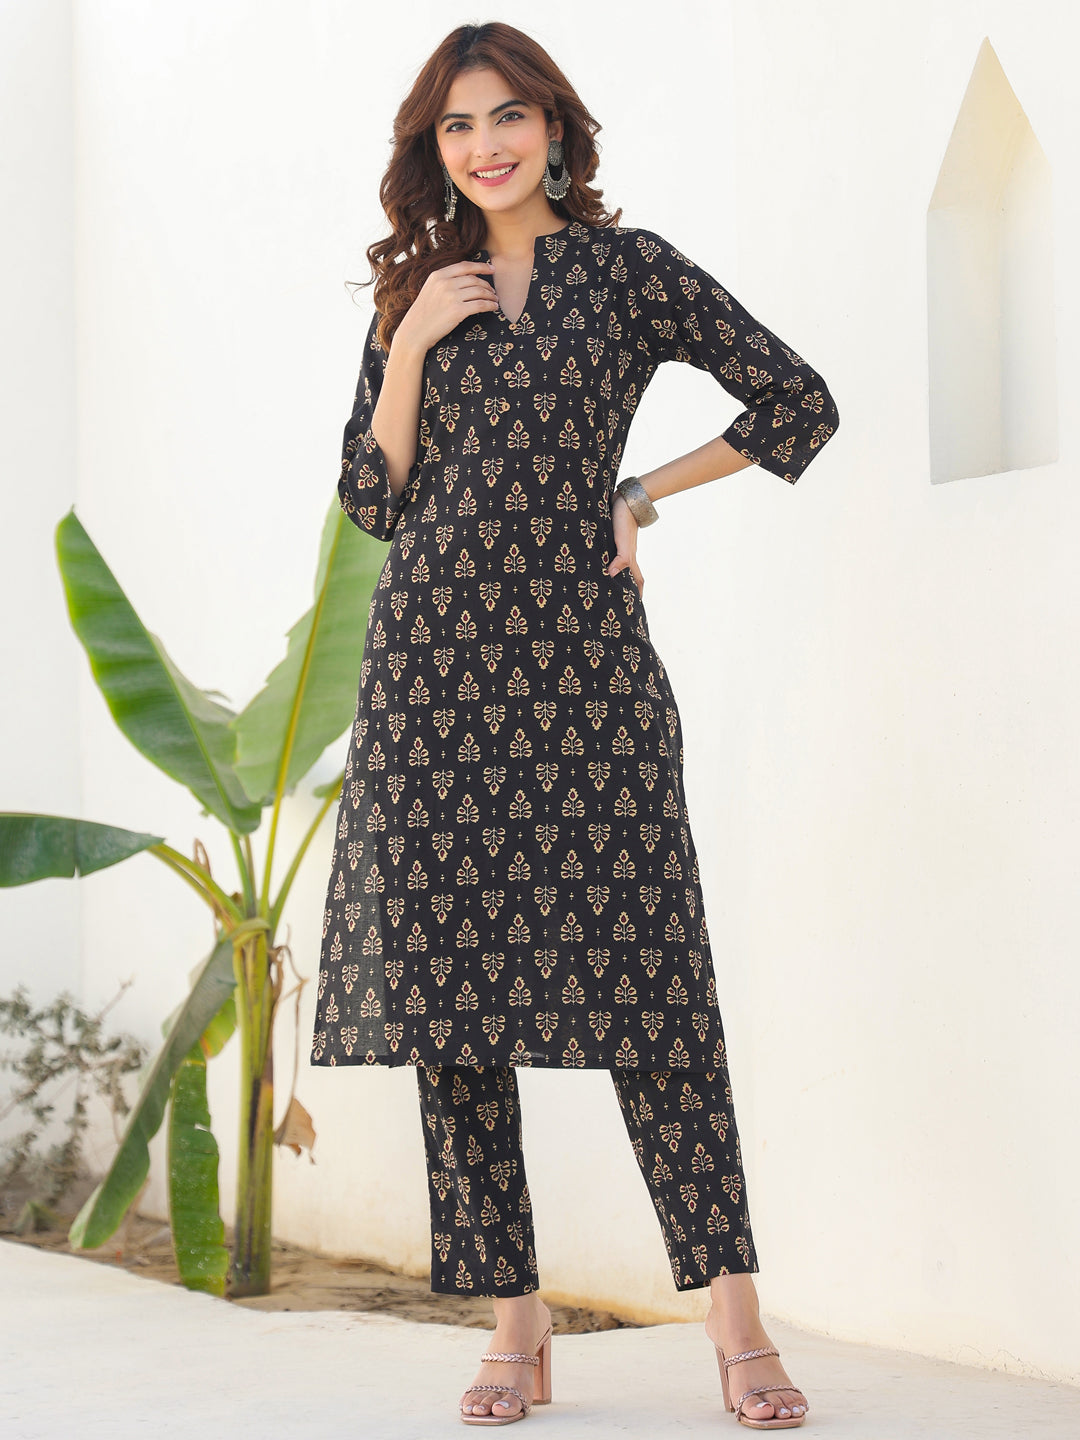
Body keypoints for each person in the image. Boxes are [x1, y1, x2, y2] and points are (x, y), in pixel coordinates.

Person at [311, 20, 839, 1431]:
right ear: (433, 149)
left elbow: (798, 400)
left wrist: (640, 494)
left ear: (554, 126)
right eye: (457, 126)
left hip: (584, 669)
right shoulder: (416, 294)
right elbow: (371, 499)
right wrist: (412, 344)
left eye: (508, 116)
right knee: (452, 1008)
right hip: (431, 675)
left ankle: (734, 1317)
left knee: (654, 986)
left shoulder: (630, 270)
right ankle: (514, 1323)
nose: (484, 145)